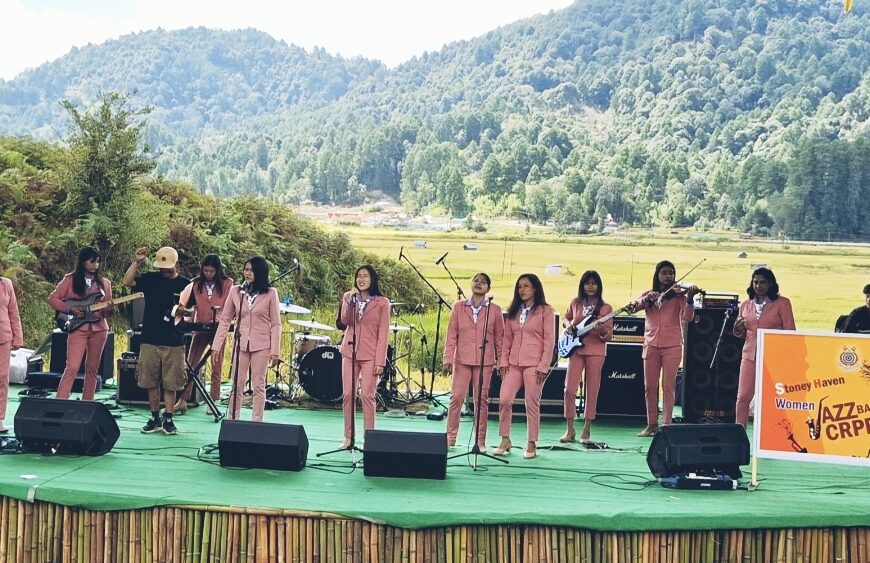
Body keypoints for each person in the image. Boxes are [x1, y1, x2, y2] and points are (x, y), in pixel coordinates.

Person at [123, 246, 190, 435]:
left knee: (171, 382)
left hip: (174, 339)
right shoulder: (151, 279)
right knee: (150, 380)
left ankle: (168, 418)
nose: (164, 271)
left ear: (176, 264)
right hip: (150, 337)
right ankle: (154, 418)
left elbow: (194, 310)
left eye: (168, 267)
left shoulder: (186, 284)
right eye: (162, 267)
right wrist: (137, 261)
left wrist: (185, 312)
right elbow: (127, 281)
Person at [631, 260, 699, 437]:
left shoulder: (679, 297)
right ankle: (651, 423)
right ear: (657, 274)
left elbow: (688, 317)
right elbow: (632, 308)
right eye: (664, 272)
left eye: (671, 273)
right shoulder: (649, 295)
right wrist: (646, 300)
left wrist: (690, 299)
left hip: (672, 345)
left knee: (668, 386)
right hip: (651, 344)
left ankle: (667, 425)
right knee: (650, 386)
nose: (668, 276)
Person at [494, 273, 556, 460]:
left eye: (526, 286)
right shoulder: (514, 311)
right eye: (519, 286)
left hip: (534, 364)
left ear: (535, 288)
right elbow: (507, 339)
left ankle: (531, 442)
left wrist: (544, 365)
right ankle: (505, 439)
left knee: (532, 403)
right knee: (505, 400)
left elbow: (549, 340)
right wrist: (502, 361)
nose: (522, 290)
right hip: (513, 362)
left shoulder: (546, 311)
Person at [212, 256, 281, 422]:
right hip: (241, 343)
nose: (248, 273)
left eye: (252, 270)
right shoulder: (237, 291)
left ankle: (256, 423)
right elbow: (225, 319)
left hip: (262, 344)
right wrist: (216, 345)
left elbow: (276, 324)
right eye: (246, 270)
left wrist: (275, 351)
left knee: (259, 385)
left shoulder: (271, 293)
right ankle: (233, 421)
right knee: (237, 384)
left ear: (260, 272)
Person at [442, 273, 504, 451]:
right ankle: (450, 437)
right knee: (456, 398)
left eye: (483, 282)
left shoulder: (495, 309)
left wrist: (501, 362)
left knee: (481, 400)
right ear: (471, 284)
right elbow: (451, 335)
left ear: (488, 289)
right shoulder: (459, 307)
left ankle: (480, 441)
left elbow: (500, 338)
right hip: (462, 359)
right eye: (476, 281)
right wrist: (447, 358)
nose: (479, 284)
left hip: (485, 361)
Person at [47, 247, 114, 400]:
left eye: (97, 262)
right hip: (78, 328)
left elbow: (106, 312)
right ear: (83, 262)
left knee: (92, 368)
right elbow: (53, 299)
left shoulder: (105, 284)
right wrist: (70, 309)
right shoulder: (70, 279)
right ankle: (60, 401)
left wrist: (109, 310)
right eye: (92, 261)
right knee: (72, 367)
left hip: (99, 329)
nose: (95, 265)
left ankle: (87, 403)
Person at [732, 267, 796, 427]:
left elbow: (790, 331)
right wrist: (737, 329)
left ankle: (775, 431)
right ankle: (739, 430)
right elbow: (742, 334)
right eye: (755, 282)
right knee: (743, 396)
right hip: (750, 355)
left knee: (772, 397)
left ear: (770, 284)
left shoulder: (783, 303)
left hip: (774, 356)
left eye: (762, 282)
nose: (758, 286)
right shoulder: (746, 305)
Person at [337, 265, 390, 448]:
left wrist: (380, 361)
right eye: (358, 276)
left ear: (372, 279)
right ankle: (348, 437)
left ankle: (370, 437)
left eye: (365, 276)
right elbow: (346, 321)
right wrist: (351, 304)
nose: (361, 279)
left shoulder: (382, 302)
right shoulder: (348, 297)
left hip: (370, 354)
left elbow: (383, 333)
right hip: (349, 351)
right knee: (348, 394)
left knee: (368, 395)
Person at [173, 254, 233, 414]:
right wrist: (183, 312)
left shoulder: (228, 284)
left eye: (212, 271)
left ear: (218, 271)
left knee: (216, 364)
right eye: (205, 270)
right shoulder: (195, 283)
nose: (208, 274)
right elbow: (185, 303)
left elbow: (231, 306)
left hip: (219, 327)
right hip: (200, 325)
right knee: (192, 363)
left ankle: (212, 401)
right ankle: (183, 399)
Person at [561, 270, 613, 443]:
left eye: (594, 283)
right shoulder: (575, 303)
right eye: (587, 283)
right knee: (569, 389)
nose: (590, 286)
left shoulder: (606, 308)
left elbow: (609, 335)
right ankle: (570, 429)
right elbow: (566, 318)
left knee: (592, 390)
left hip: (596, 351)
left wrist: (601, 330)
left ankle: (587, 429)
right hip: (576, 350)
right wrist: (568, 325)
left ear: (599, 286)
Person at [0, 270, 23, 434]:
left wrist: (17, 337)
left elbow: (13, 312)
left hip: (4, 336)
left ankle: (0, 419)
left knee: (2, 377)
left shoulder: (6, 284)